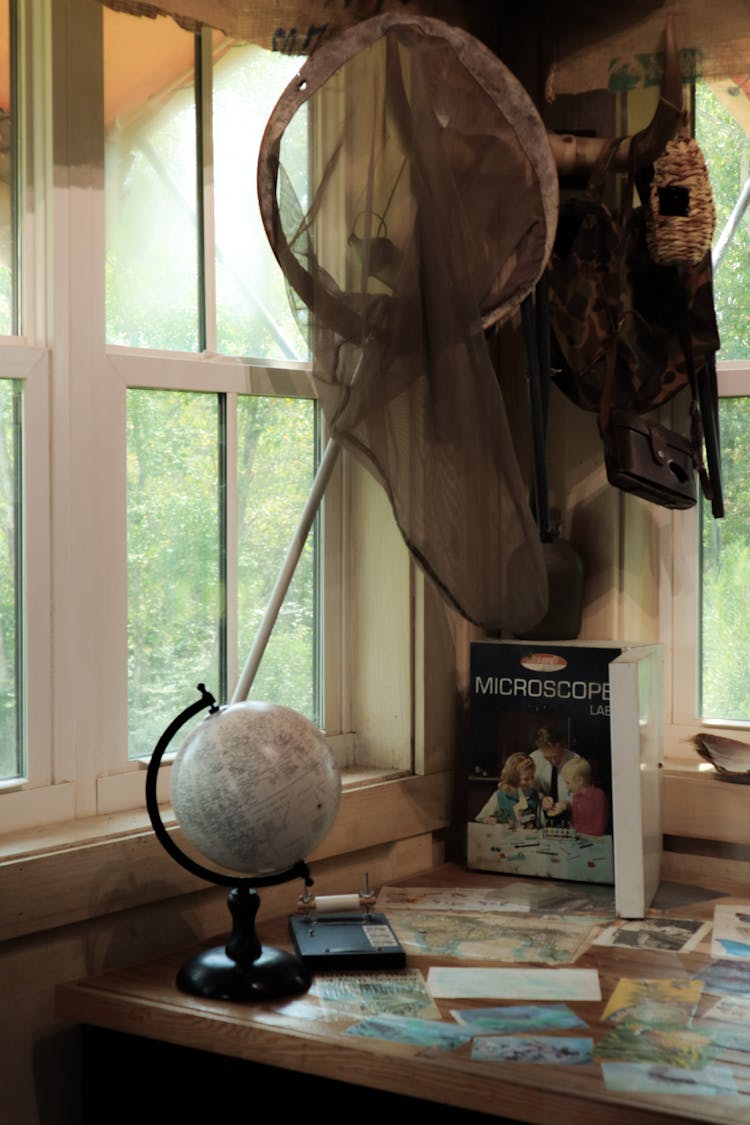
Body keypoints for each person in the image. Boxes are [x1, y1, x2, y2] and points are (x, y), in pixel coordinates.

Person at [474, 751, 540, 829]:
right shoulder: (501, 796)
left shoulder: (534, 795)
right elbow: (481, 818)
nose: (531, 783)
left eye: (532, 777)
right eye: (526, 779)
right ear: (514, 778)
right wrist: (500, 822)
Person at [530, 725, 580, 827]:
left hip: (570, 818)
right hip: (542, 819)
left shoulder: (575, 761)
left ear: (562, 746)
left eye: (556, 756)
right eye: (548, 758)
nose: (553, 762)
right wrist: (542, 799)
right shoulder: (534, 759)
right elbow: (530, 790)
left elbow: (581, 795)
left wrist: (566, 804)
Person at [560, 756, 609, 836]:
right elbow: (574, 822)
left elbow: (598, 829)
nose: (566, 787)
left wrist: (574, 828)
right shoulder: (576, 796)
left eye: (568, 783)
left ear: (580, 780)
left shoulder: (598, 796)